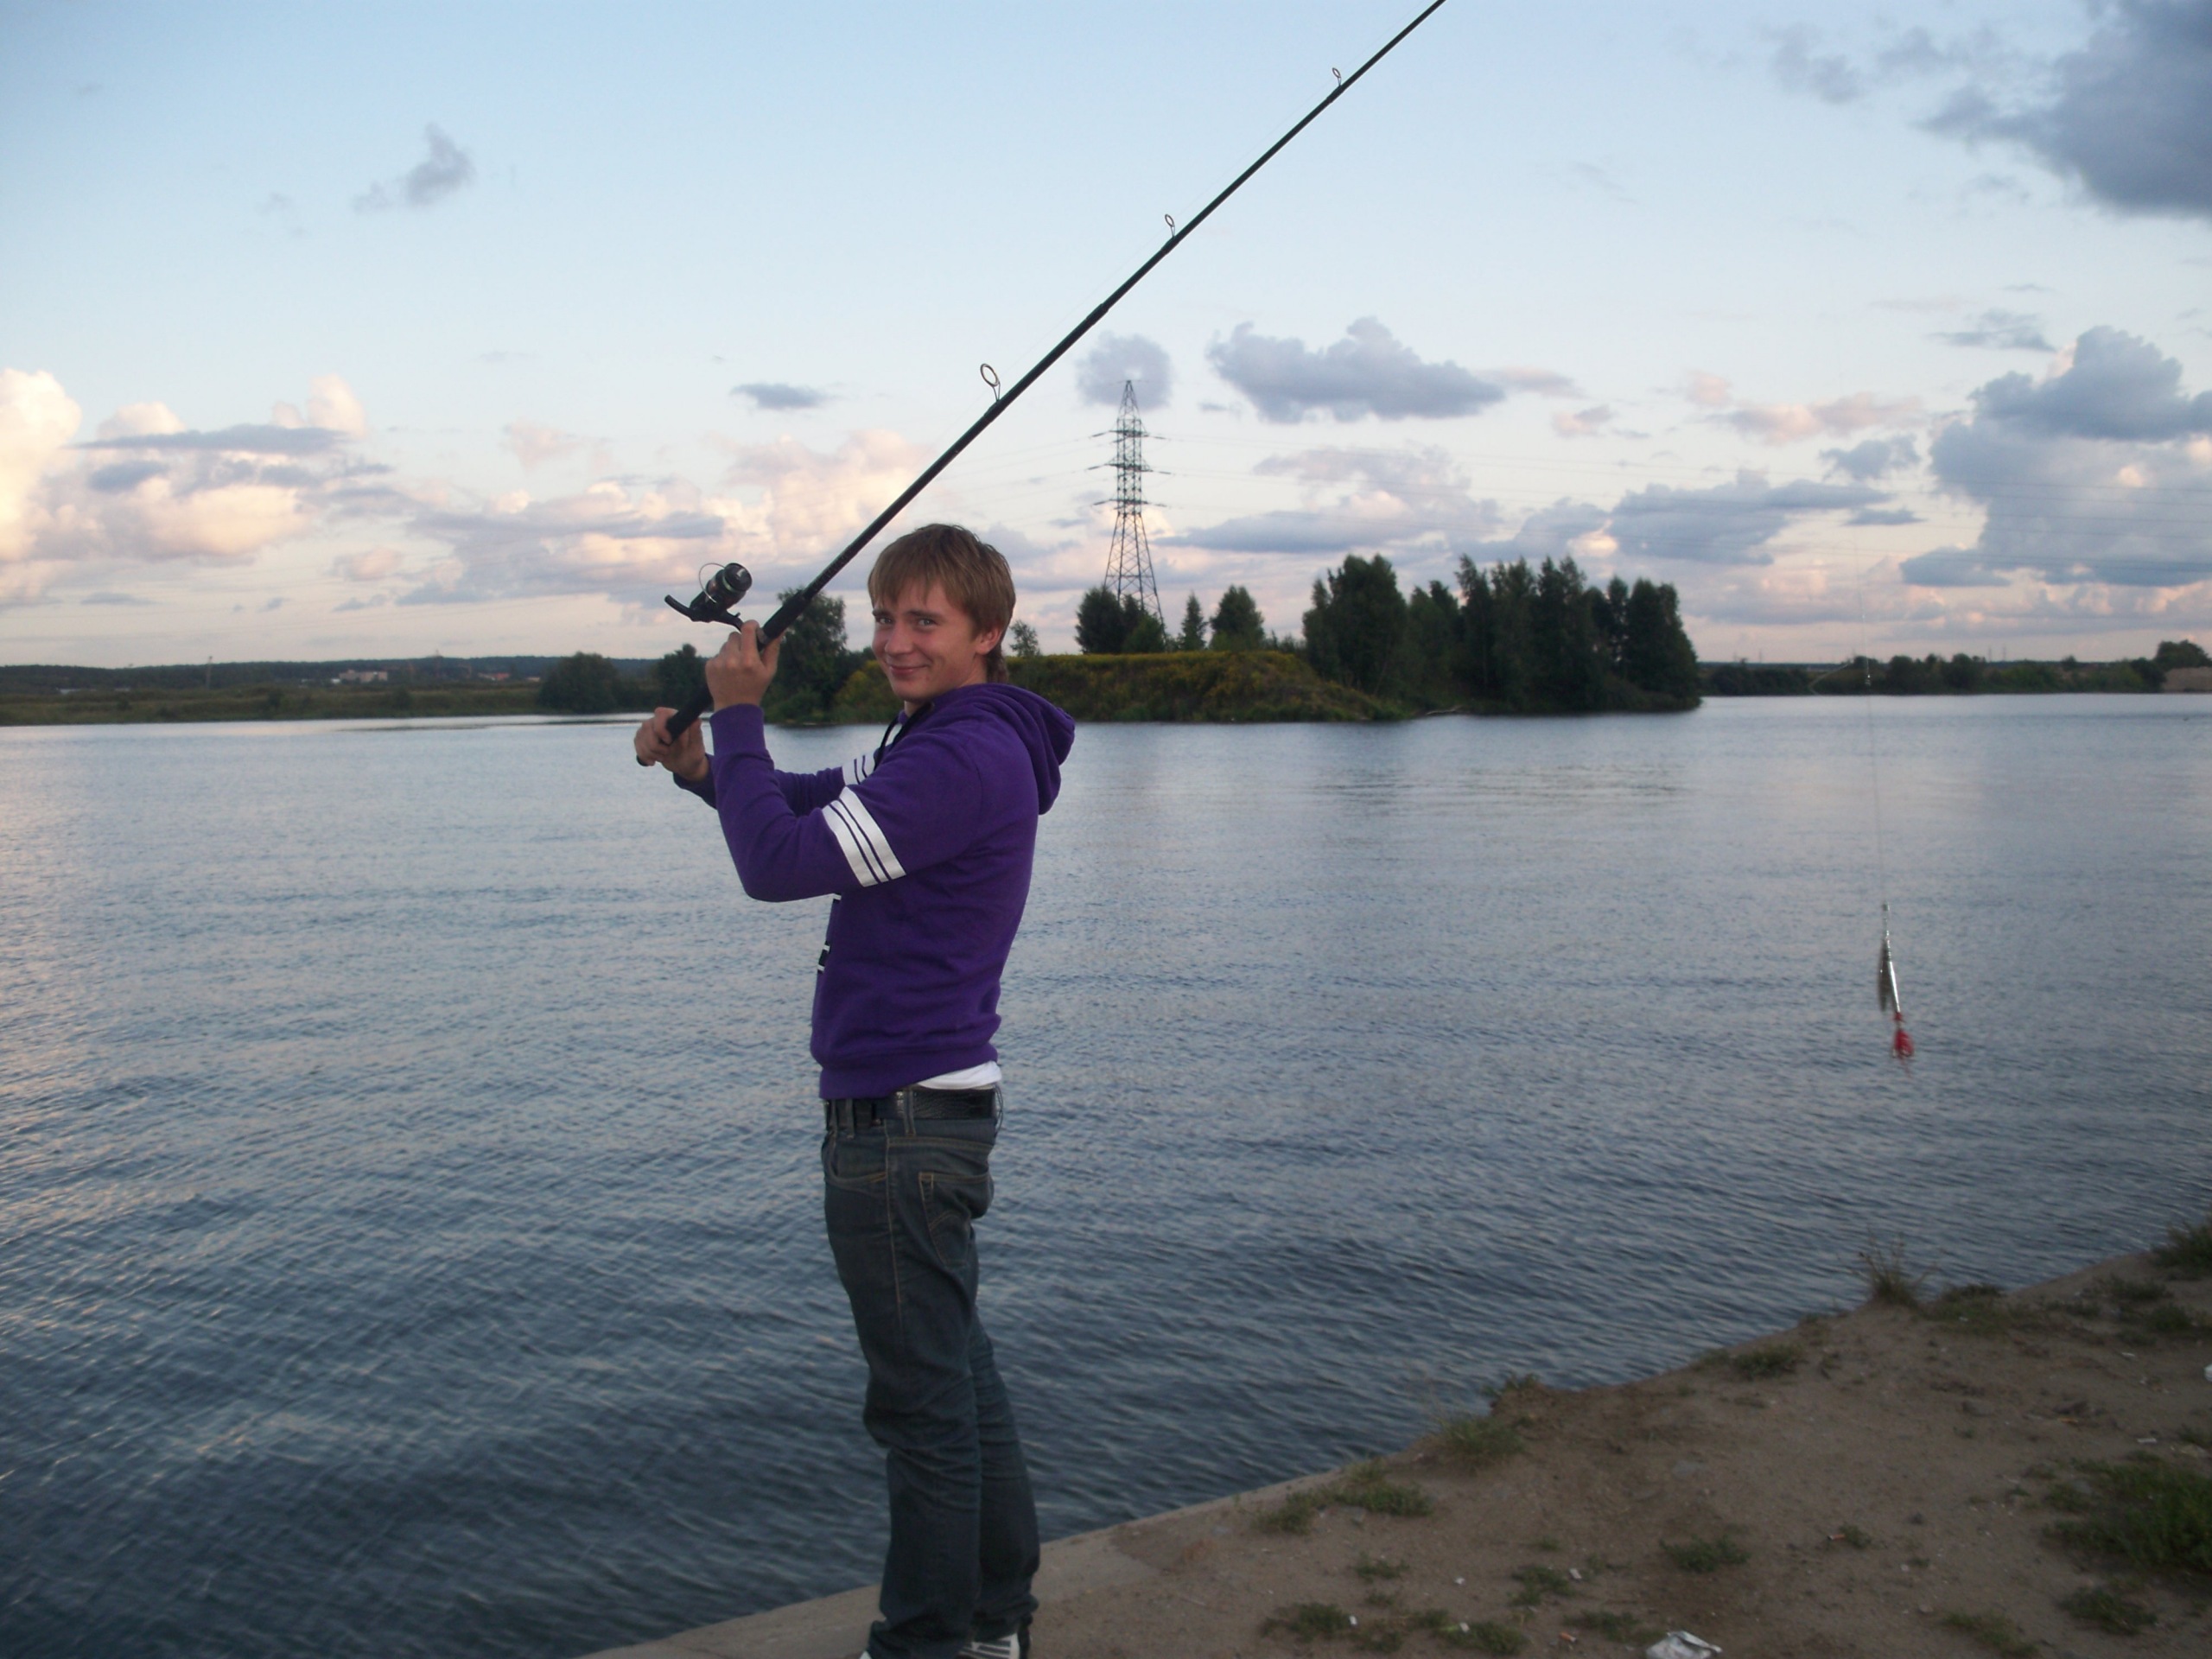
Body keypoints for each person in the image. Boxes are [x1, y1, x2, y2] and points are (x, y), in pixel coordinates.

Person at [633, 524, 1074, 1659]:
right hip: (930, 1112)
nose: (894, 642)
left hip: (900, 1124)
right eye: (884, 618)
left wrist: (738, 713)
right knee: (958, 1385)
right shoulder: (946, 745)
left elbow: (776, 868)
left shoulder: (961, 759)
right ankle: (996, 1625)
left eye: (924, 620)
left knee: (923, 1416)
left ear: (988, 632)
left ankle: (927, 1644)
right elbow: (800, 814)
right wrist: (708, 768)